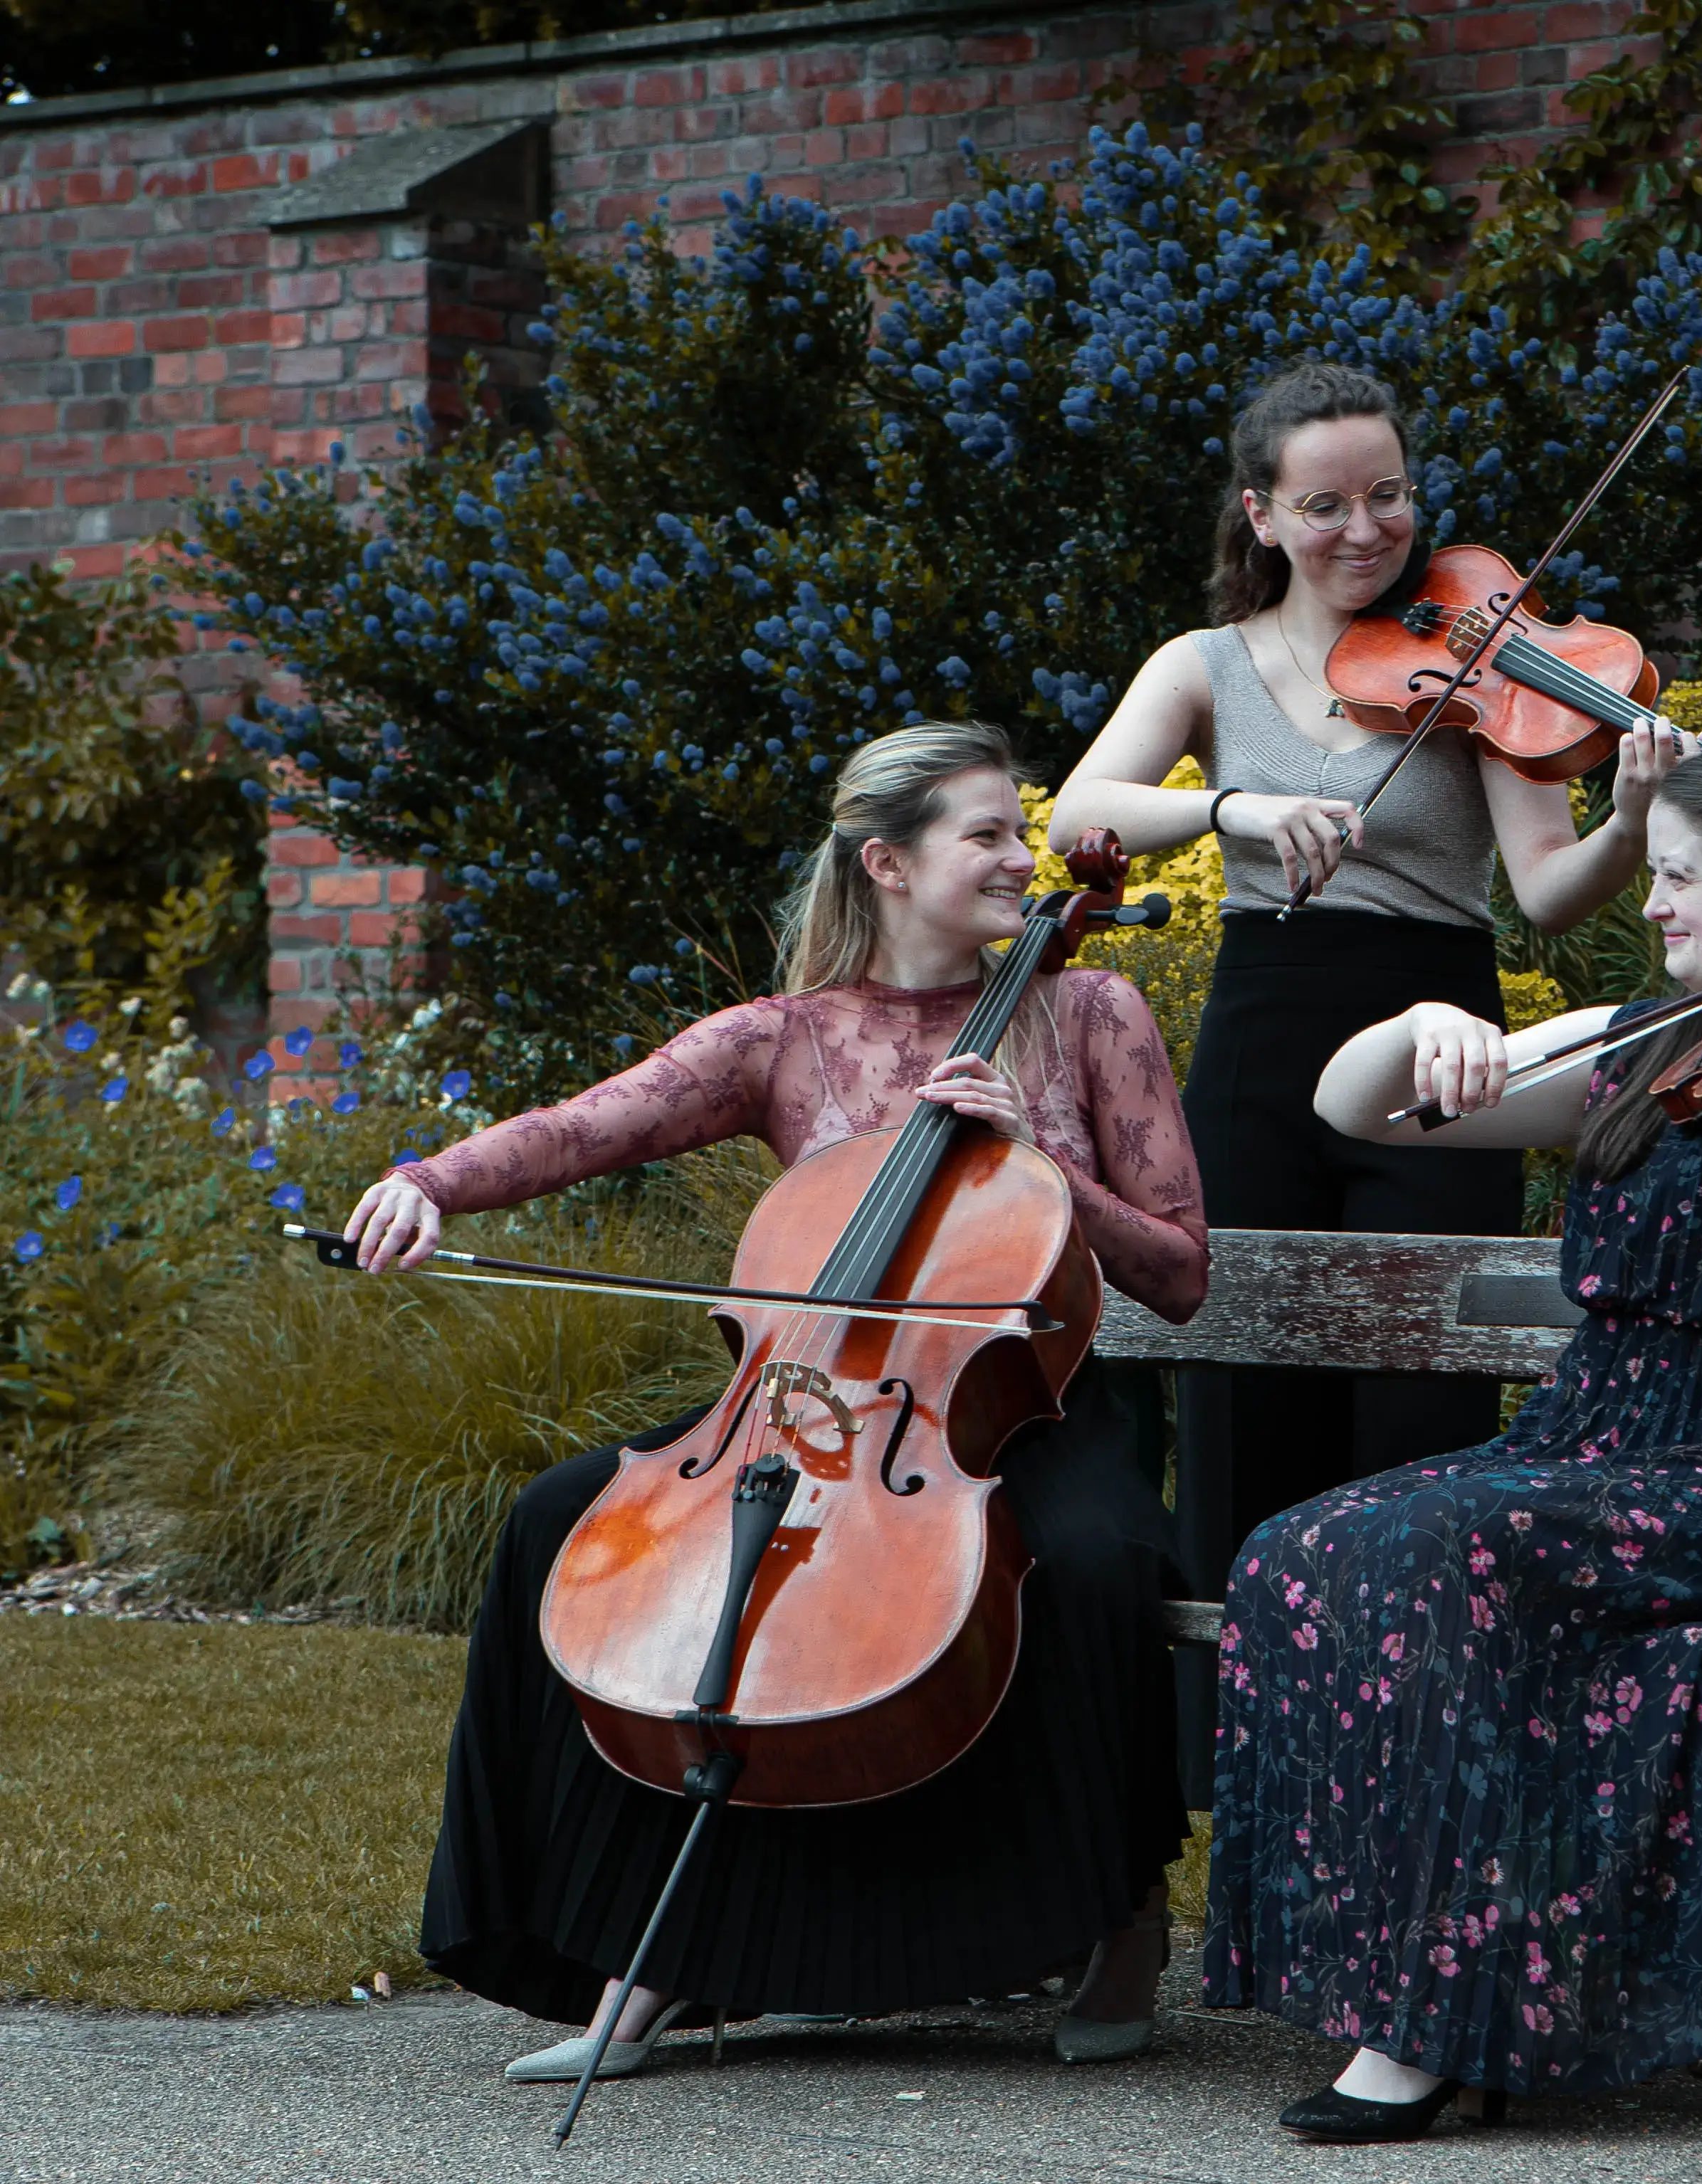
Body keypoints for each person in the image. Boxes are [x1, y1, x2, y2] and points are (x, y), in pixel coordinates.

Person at [344, 719, 1211, 2081]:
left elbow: (1180, 1273)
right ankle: (655, 1951)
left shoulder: (1091, 1012)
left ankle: (1118, 1922)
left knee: (1097, 1562)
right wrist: (432, 1182)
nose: (1017, 856)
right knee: (561, 1523)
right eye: (983, 833)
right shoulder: (788, 1038)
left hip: (1026, 1408)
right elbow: (591, 1124)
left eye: (1016, 830)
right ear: (886, 862)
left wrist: (1035, 1159)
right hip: (809, 1414)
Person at [1199, 735, 1702, 2141]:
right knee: (1293, 1550)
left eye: (1676, 875)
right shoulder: (1640, 1047)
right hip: (1596, 1452)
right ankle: (1420, 1990)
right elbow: (1347, 1106)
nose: (1649, 901)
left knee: (1444, 1546)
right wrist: (1424, 1033)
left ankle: (1430, 2025)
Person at [1046, 362, 1700, 1714]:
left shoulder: (1478, 668)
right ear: (1264, 516)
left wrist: (1629, 824)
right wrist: (1228, 811)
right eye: (1327, 504)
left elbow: (1545, 895)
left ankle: (1413, 1724)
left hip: (1443, 1051)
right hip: (1261, 1038)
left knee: (1420, 1395)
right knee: (1249, 1390)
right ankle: (1238, 1740)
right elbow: (1074, 811)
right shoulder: (1205, 666)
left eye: (1390, 497)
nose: (1366, 529)